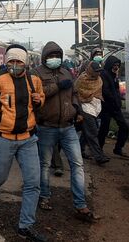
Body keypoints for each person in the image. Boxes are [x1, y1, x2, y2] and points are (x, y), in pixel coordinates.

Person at [0, 44, 47, 242]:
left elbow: (40, 99)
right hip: (3, 138)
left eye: (18, 62)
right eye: (11, 61)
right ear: (6, 62)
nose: (15, 65)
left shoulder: (34, 80)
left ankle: (26, 225)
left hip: (28, 139)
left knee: (33, 183)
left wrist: (39, 100)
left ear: (25, 63)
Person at [33, 41, 97, 222]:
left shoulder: (66, 72)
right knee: (44, 164)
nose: (54, 59)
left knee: (77, 164)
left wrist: (77, 110)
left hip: (68, 127)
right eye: (51, 56)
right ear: (45, 57)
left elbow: (74, 93)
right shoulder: (36, 74)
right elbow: (36, 95)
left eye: (57, 56)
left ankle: (80, 204)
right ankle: (44, 197)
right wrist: (57, 86)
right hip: (46, 126)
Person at [75, 61, 110, 165]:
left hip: (95, 109)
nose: (98, 73)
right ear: (91, 70)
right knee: (93, 132)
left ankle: (80, 151)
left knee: (87, 133)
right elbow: (77, 93)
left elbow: (98, 92)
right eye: (96, 71)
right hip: (85, 109)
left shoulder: (98, 79)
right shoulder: (82, 79)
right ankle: (99, 156)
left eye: (100, 71)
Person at [98, 56, 129, 156]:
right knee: (104, 129)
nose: (116, 67)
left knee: (124, 126)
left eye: (117, 65)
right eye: (114, 65)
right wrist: (115, 100)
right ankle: (99, 150)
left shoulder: (114, 75)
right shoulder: (103, 74)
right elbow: (106, 91)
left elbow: (116, 89)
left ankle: (118, 148)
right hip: (107, 107)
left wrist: (116, 78)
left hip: (115, 106)